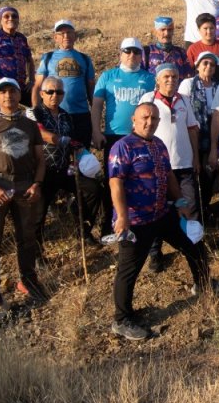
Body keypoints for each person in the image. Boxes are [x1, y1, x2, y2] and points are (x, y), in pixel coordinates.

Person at [107, 102, 217, 341]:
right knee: (129, 270)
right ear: (134, 120)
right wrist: (122, 216)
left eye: (155, 118)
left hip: (161, 214)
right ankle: (121, 319)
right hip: (136, 220)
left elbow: (168, 176)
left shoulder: (158, 144)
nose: (150, 122)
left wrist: (180, 203)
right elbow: (115, 183)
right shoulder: (122, 147)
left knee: (193, 244)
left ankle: (203, 284)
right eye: (145, 117)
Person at [0, 78, 47, 307]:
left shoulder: (29, 125)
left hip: (24, 186)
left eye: (12, 91)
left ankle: (29, 280)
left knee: (27, 236)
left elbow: (40, 159)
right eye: (2, 92)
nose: (8, 96)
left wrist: (37, 184)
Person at [31, 19, 100, 240]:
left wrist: (93, 121)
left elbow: (92, 92)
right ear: (55, 37)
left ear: (75, 35)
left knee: (77, 162)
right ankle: (51, 201)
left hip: (78, 117)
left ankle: (77, 208)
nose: (66, 36)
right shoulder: (48, 58)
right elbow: (37, 86)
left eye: (70, 32)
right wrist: (36, 111)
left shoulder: (84, 59)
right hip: (50, 117)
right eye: (61, 33)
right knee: (51, 158)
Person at [138, 64, 200, 273]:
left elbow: (192, 129)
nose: (170, 80)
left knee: (189, 207)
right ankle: (155, 253)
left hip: (183, 165)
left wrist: (196, 157)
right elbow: (139, 130)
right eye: (166, 77)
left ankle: (192, 247)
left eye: (174, 76)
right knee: (156, 210)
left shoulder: (183, 99)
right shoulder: (148, 99)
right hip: (157, 167)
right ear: (157, 79)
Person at [92, 38, 156, 238]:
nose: (132, 56)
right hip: (114, 137)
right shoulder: (108, 76)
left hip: (139, 137)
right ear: (120, 53)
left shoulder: (149, 78)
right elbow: (96, 106)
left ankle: (139, 221)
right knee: (112, 180)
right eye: (127, 51)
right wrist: (96, 131)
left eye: (136, 52)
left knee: (140, 180)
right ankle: (108, 224)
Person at [26, 75, 79, 253]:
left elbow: (73, 140)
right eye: (50, 91)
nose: (54, 95)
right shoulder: (34, 113)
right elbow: (41, 133)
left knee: (91, 190)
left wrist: (76, 158)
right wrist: (61, 140)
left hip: (64, 168)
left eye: (59, 92)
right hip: (43, 170)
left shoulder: (66, 116)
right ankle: (36, 253)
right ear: (42, 93)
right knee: (38, 214)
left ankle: (83, 231)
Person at [179, 52, 219, 240]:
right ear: (197, 65)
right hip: (193, 140)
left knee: (209, 178)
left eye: (212, 65)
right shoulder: (188, 85)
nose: (208, 67)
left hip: (212, 140)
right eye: (205, 63)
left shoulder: (218, 87)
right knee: (196, 179)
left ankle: (206, 210)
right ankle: (195, 217)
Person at [0, 6, 34, 107]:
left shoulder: (21, 38)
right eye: (6, 16)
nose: (11, 18)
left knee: (32, 112)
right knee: (3, 117)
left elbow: (29, 59)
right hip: (1, 87)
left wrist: (31, 80)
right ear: (1, 20)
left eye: (14, 16)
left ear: (18, 20)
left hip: (20, 87)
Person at [186, 13, 219, 83]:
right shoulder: (192, 49)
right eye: (205, 28)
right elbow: (190, 71)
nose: (209, 32)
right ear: (199, 30)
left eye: (211, 28)